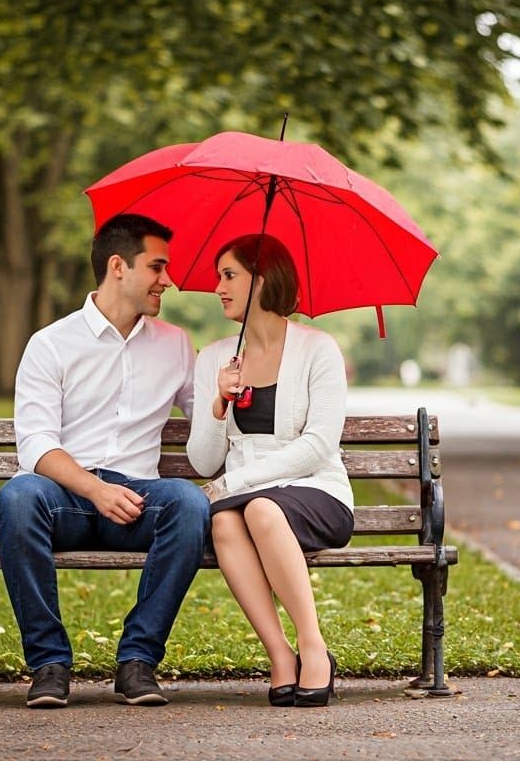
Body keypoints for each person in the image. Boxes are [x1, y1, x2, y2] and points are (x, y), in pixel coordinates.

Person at [0, 213, 210, 709]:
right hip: (63, 501)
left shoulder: (175, 344)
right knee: (18, 496)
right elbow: (36, 445)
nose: (168, 280)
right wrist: (94, 489)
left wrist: (221, 398)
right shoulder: (50, 344)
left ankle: (137, 663)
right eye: (157, 267)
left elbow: (207, 436)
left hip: (138, 501)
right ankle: (49, 665)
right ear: (118, 266)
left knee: (188, 504)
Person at [186, 233, 354, 708]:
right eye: (219, 275)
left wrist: (233, 484)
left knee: (258, 509)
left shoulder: (318, 350)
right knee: (223, 520)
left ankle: (313, 646)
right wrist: (219, 402)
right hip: (244, 500)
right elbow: (202, 461)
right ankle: (280, 655)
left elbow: (319, 446)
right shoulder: (215, 358)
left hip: (315, 490)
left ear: (263, 279)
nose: (218, 286)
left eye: (229, 275)